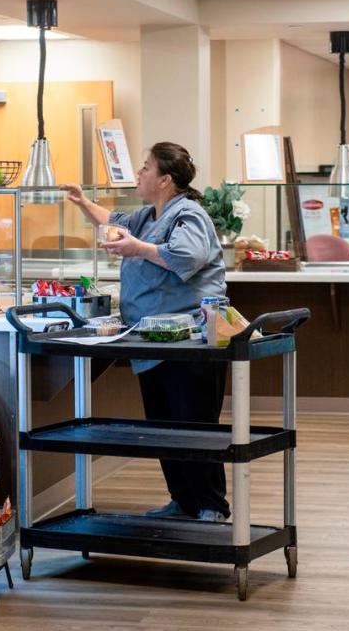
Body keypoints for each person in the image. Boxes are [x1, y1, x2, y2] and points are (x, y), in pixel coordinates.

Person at [59, 142, 229, 522]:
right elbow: (115, 221)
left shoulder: (188, 215)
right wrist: (84, 203)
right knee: (163, 428)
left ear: (166, 179)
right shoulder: (150, 214)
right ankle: (182, 501)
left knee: (193, 426)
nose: (139, 172)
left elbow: (186, 256)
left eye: (147, 167)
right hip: (152, 341)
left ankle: (211, 507)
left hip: (190, 344)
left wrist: (138, 250)